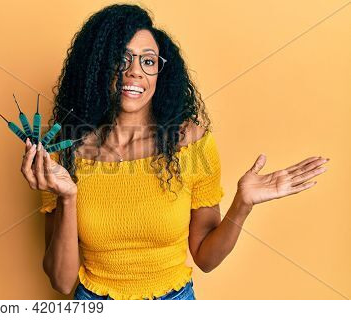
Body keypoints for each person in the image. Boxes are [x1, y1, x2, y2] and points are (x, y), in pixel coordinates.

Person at [20, 4, 329, 300]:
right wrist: (67, 197)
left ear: (160, 73)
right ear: (99, 67)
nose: (135, 72)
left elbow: (206, 258)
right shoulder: (64, 150)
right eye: (122, 59)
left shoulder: (191, 143)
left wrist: (242, 205)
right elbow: (61, 281)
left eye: (148, 61)